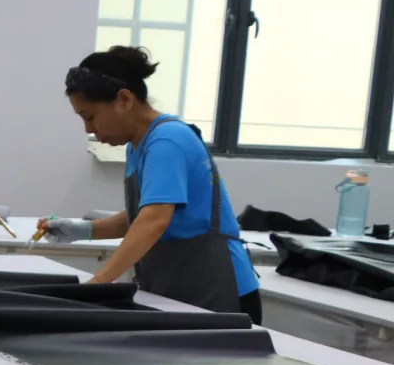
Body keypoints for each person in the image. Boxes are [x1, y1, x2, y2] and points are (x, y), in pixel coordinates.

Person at [40, 45, 260, 323]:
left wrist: (99, 283)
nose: (88, 129)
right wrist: (84, 229)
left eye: (90, 116)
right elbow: (146, 215)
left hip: (219, 289)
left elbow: (154, 220)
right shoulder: (138, 145)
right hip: (181, 286)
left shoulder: (167, 141)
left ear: (123, 100)